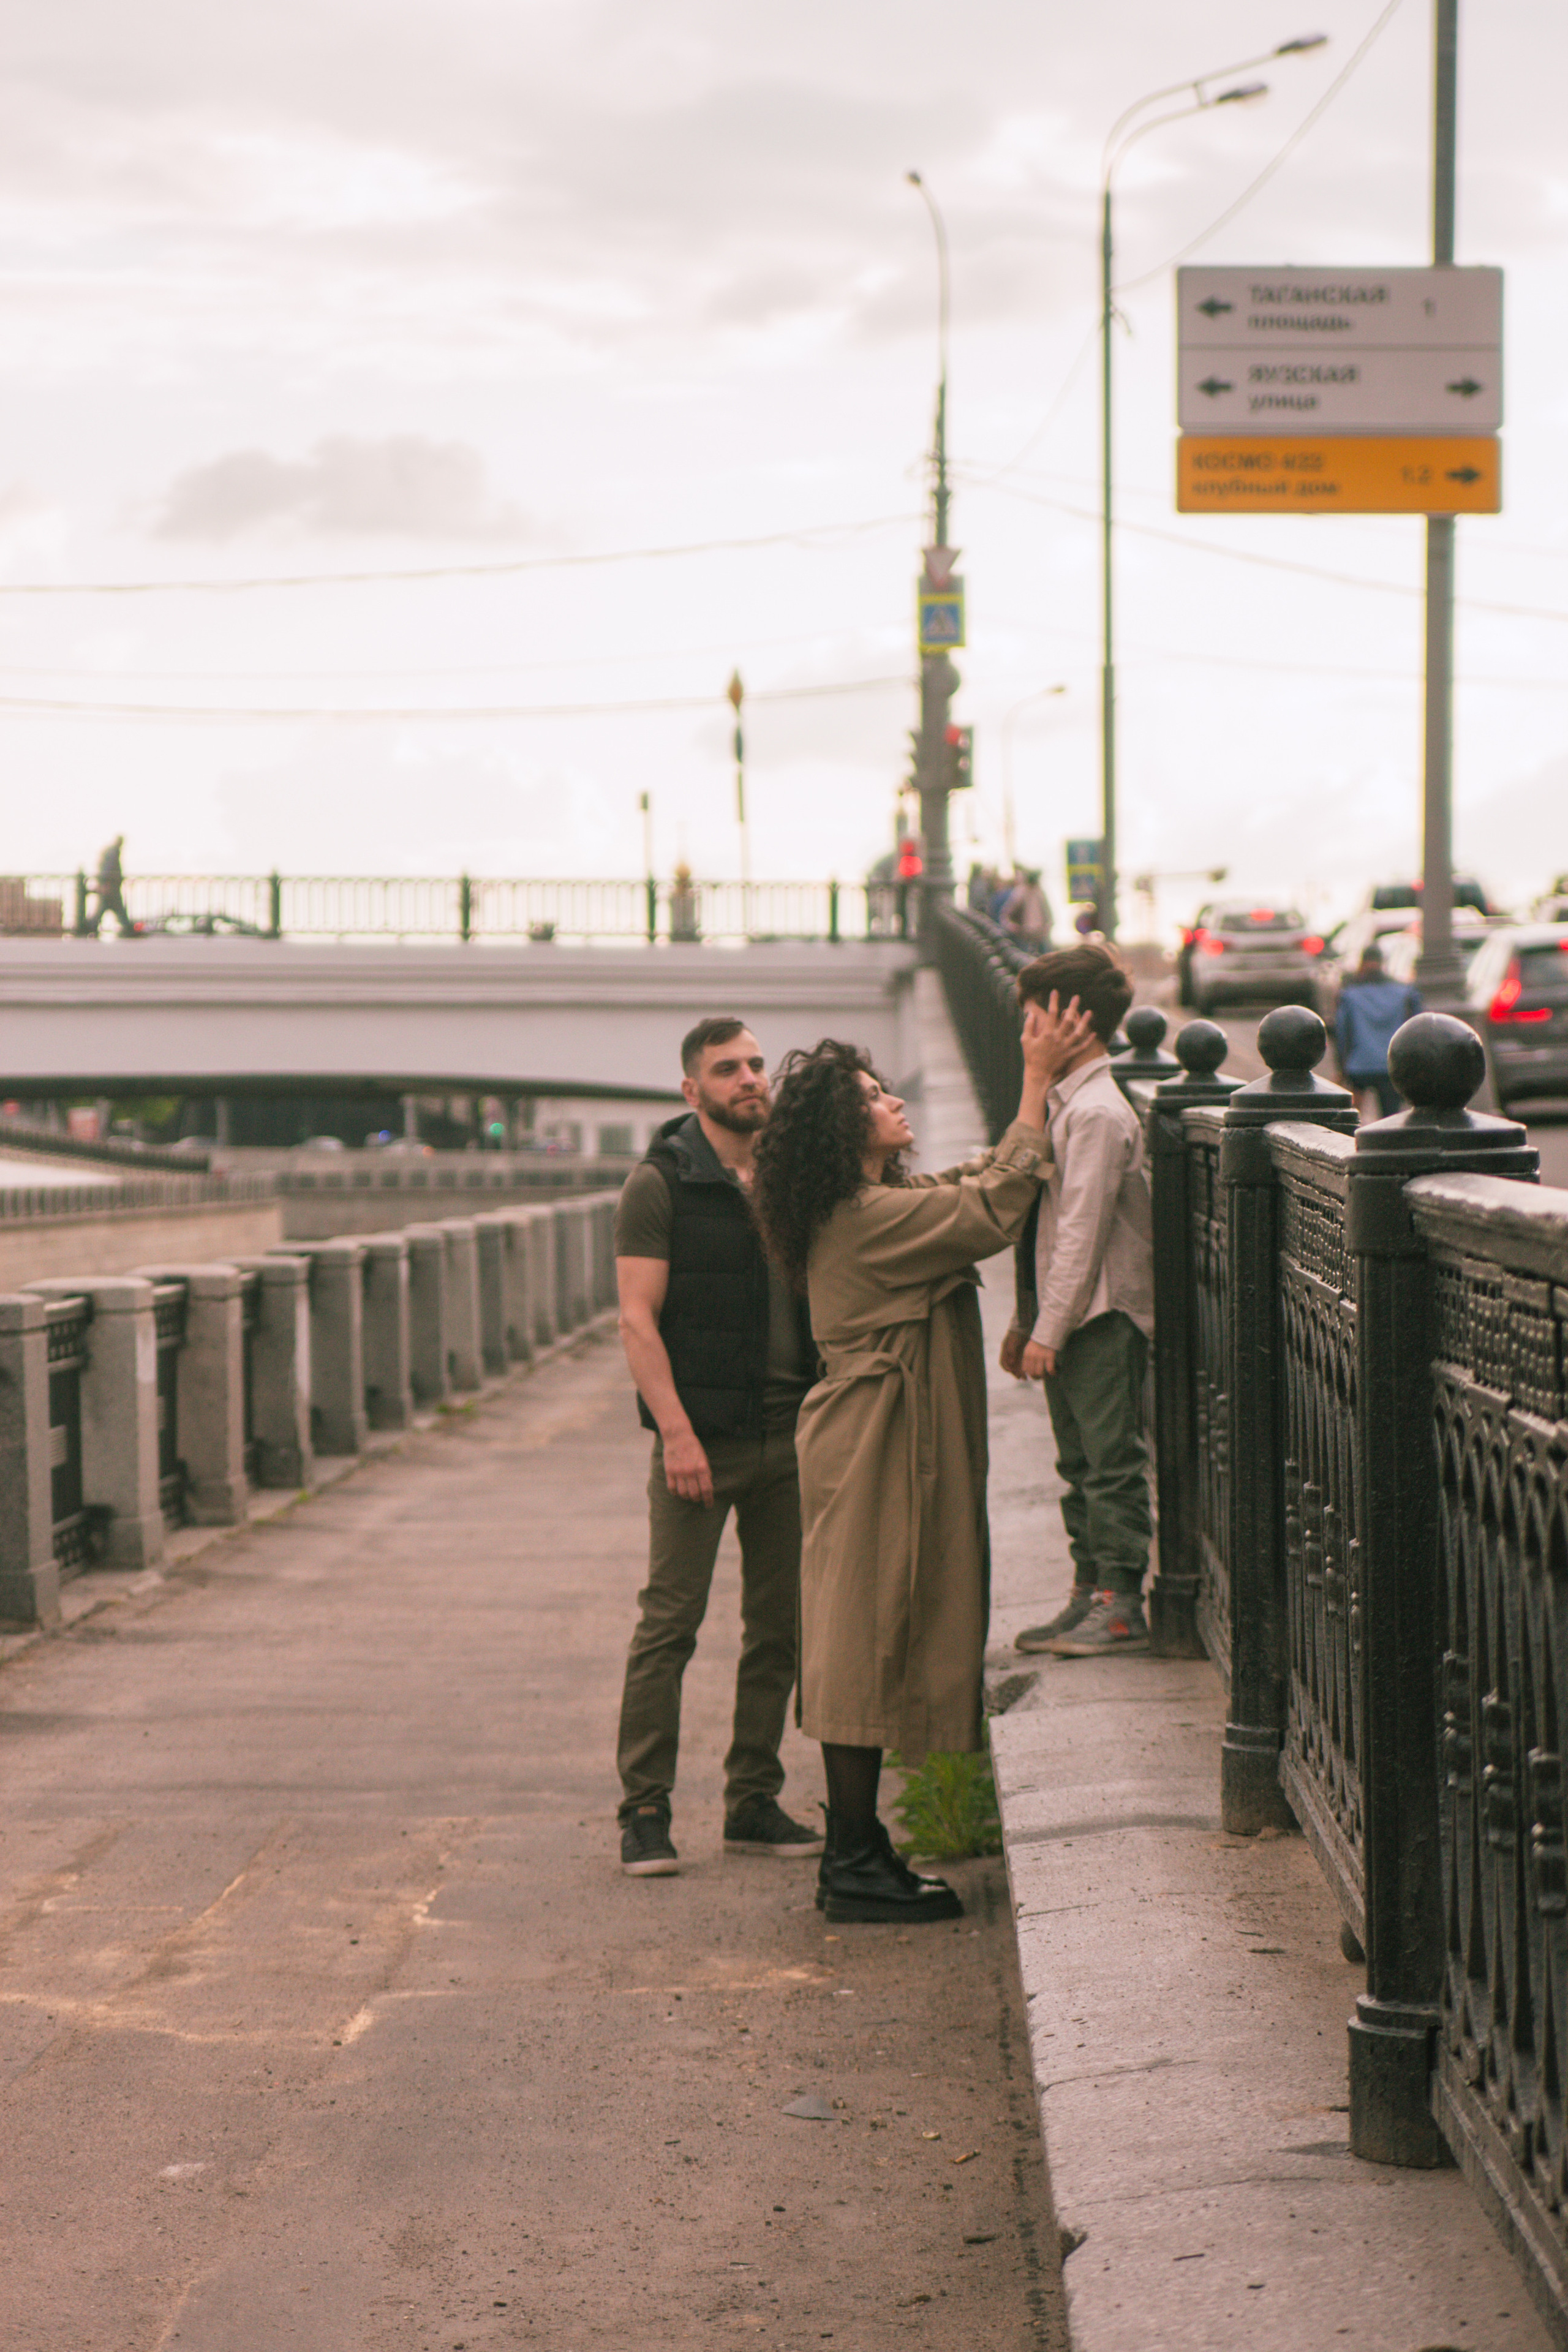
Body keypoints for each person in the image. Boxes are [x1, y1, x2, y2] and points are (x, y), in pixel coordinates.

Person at [750, 995, 1092, 1925]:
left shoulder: (876, 1200)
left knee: (871, 1627)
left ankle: (862, 1853)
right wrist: (1032, 1080)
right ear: (839, 1128)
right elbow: (987, 1210)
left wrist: (1039, 1094)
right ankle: (854, 1859)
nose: (892, 1101)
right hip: (873, 1440)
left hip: (882, 1433)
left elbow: (971, 1181)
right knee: (861, 1635)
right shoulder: (859, 1215)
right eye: (871, 1095)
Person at [612, 1015, 821, 1877]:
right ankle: (644, 1809)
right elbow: (636, 1319)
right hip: (701, 1443)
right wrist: (678, 1437)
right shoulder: (661, 1184)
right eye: (728, 1069)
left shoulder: (791, 1177)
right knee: (671, 1625)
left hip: (791, 1436)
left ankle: (752, 1800)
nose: (750, 1079)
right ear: (691, 1090)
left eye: (757, 1064)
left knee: (780, 1628)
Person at [1005, 944, 1155, 1660]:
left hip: (1099, 1317)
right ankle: (1086, 1592)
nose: (1023, 1034)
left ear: (1074, 1022)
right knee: (1077, 1464)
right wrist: (1029, 1321)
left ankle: (1120, 1603)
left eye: (1033, 1019)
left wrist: (1051, 1328)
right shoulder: (1065, 1103)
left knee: (1108, 1461)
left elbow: (1081, 1236)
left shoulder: (1096, 1113)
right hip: (1071, 1317)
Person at [1335, 943, 1420, 1120]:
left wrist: (1341, 1067)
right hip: (1392, 1065)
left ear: (1363, 963)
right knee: (1390, 1120)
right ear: (1382, 963)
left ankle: (1354, 1143)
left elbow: (1343, 1032)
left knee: (1353, 1118)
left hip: (1360, 1064)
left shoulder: (1351, 994)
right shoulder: (1404, 992)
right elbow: (1416, 1028)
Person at [1001, 867, 1052, 953]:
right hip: (1024, 934)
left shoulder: (1039, 893)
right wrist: (1014, 927)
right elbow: (1007, 915)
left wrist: (1047, 927)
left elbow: (1048, 914)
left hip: (1039, 934)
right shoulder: (1020, 893)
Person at [91, 835, 135, 937]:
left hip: (109, 886)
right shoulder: (113, 852)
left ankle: (91, 927)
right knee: (117, 909)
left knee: (104, 909)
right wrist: (108, 882)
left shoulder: (110, 851)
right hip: (111, 887)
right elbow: (110, 868)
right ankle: (127, 929)